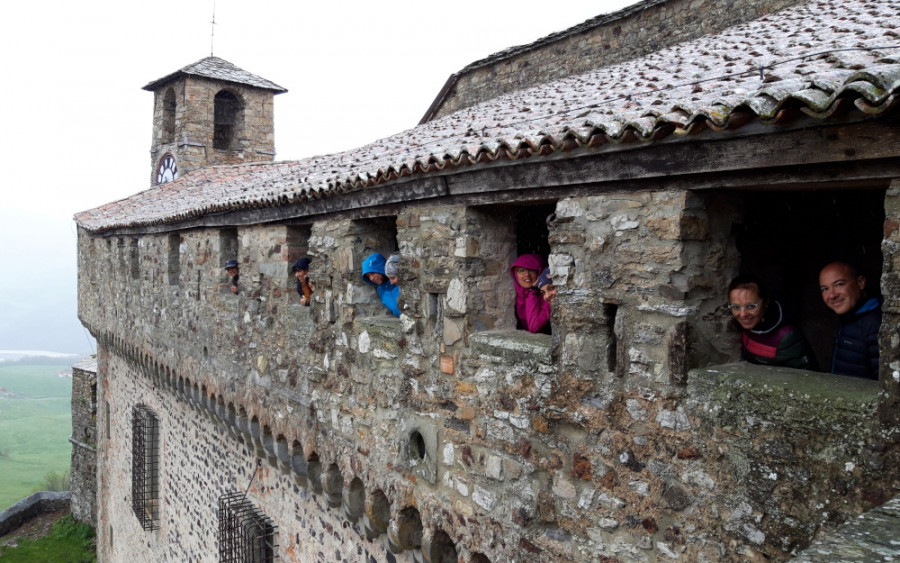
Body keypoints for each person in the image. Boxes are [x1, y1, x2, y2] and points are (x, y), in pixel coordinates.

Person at [727, 274, 816, 369]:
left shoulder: (786, 337)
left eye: (751, 306)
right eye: (736, 307)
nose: (743, 314)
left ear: (765, 302)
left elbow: (807, 372)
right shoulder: (740, 325)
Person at [819, 262, 882, 379]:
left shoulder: (876, 325)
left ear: (860, 283)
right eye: (825, 289)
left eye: (839, 284)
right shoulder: (849, 318)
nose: (832, 295)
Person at [510, 254, 550, 334]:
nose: (527, 275)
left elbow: (534, 327)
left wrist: (533, 292)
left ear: (539, 273)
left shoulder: (547, 296)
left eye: (532, 270)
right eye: (521, 271)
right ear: (515, 274)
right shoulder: (512, 293)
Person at [362, 252, 400, 317]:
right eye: (368, 276)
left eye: (372, 273)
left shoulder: (399, 281)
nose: (371, 278)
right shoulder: (380, 290)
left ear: (381, 268)